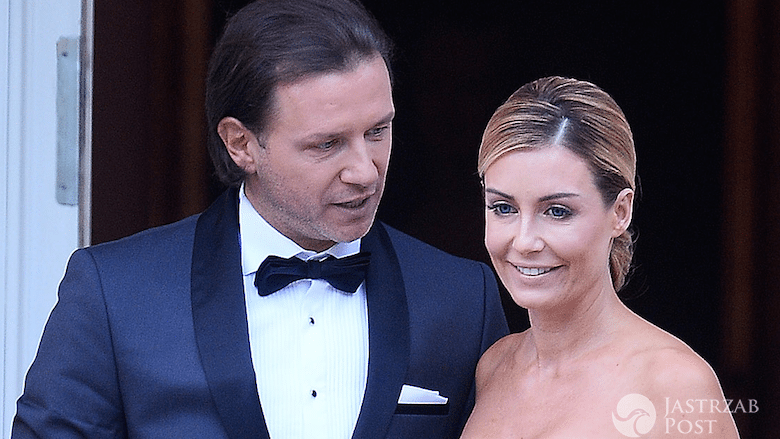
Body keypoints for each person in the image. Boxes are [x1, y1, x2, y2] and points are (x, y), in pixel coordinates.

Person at [12, 1, 508, 438]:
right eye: (327, 143)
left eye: (378, 131)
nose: (365, 171)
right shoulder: (114, 293)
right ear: (241, 144)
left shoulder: (464, 299)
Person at [460, 77, 739, 438]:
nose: (525, 241)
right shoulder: (493, 368)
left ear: (620, 212)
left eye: (557, 211)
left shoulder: (676, 384)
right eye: (503, 208)